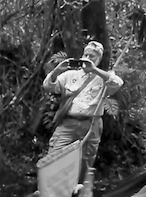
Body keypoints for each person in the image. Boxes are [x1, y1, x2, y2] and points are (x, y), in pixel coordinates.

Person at [42, 41, 124, 179]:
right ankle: (50, 188)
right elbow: (48, 86)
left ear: (98, 59)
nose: (87, 58)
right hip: (68, 123)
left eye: (92, 56)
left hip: (91, 125)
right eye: (86, 54)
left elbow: (117, 83)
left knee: (86, 160)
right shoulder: (70, 75)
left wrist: (94, 70)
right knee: (54, 155)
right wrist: (57, 70)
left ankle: (78, 191)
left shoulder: (103, 77)